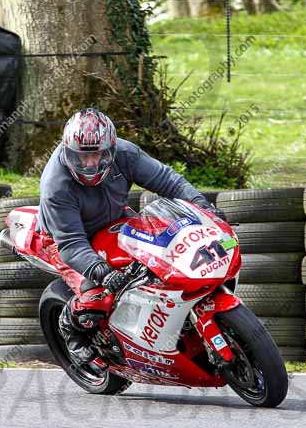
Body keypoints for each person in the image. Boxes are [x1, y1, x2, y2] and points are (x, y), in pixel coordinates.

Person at [36, 107, 225, 367]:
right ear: (68, 152)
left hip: (115, 220)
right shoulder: (55, 186)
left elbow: (168, 181)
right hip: (63, 238)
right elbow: (70, 242)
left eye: (98, 155)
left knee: (163, 258)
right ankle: (71, 327)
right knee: (97, 294)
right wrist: (101, 272)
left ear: (111, 150)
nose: (90, 164)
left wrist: (202, 206)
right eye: (81, 157)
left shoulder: (127, 154)